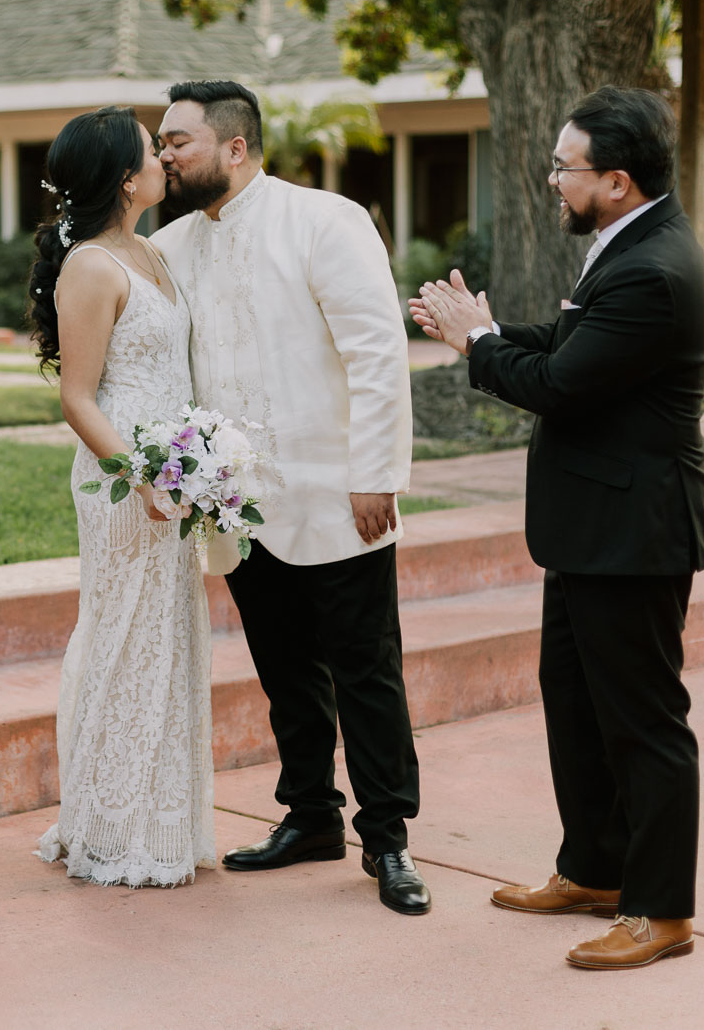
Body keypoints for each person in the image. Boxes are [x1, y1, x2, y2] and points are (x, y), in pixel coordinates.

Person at [411, 84, 704, 970]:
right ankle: (595, 870)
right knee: (577, 706)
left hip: (634, 531)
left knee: (644, 723)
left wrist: (476, 345)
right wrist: (492, 328)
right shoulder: (630, 243)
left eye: (563, 166)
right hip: (593, 527)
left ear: (616, 180)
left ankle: (662, 910)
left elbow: (561, 385)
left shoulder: (653, 268)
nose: (551, 179)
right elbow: (570, 342)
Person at [152, 81, 430, 915]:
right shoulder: (168, 246)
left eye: (178, 142)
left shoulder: (326, 220)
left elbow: (377, 352)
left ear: (235, 147)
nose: (164, 156)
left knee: (367, 670)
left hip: (336, 495)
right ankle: (310, 815)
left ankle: (388, 837)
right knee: (284, 672)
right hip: (234, 509)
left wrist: (376, 472)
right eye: (161, 144)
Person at [28, 106, 215, 887]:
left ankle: (160, 819)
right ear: (123, 178)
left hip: (170, 480)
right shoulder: (92, 266)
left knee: (167, 641)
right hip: (121, 483)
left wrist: (196, 466)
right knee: (123, 637)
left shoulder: (153, 251)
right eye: (150, 152)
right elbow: (77, 397)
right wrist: (141, 478)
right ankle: (108, 825)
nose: (163, 160)